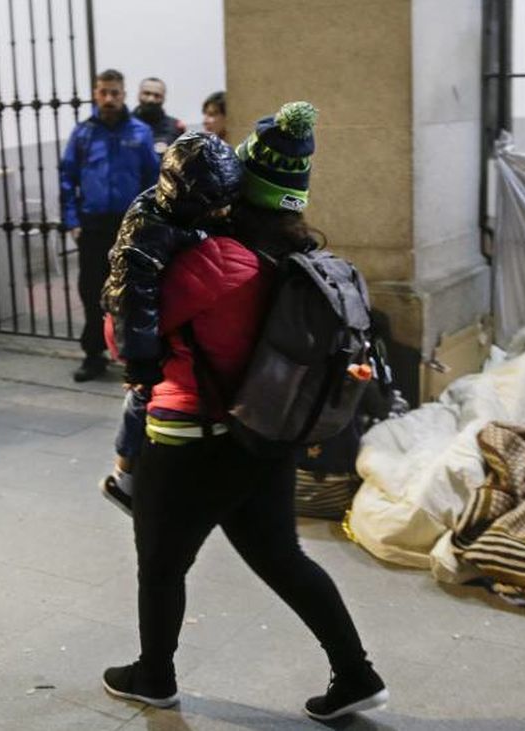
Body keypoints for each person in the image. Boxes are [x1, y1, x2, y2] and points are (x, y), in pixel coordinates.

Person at [102, 102, 388, 721]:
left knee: (160, 564)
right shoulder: (297, 256)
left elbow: (120, 333)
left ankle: (154, 676)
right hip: (263, 432)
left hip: (191, 439)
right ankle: (356, 673)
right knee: (282, 558)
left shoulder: (217, 261)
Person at [98, 132, 243, 515]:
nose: (220, 215)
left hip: (166, 306)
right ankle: (124, 477)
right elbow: (133, 297)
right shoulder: (146, 230)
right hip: (135, 311)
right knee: (142, 394)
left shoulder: (194, 208)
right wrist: (140, 361)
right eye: (213, 207)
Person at [60, 69, 160, 382]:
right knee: (92, 291)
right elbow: (67, 177)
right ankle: (93, 355)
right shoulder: (83, 133)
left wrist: (148, 221)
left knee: (132, 292)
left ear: (124, 94)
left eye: (114, 93)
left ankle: (133, 354)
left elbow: (152, 179)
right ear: (95, 93)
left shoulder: (140, 133)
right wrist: (72, 221)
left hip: (128, 225)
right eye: (103, 92)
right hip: (92, 226)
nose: (108, 99)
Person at [132, 77, 186, 156]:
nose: (151, 99)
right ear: (139, 95)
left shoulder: (176, 128)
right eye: (147, 93)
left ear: (164, 98)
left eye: (157, 95)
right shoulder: (123, 123)